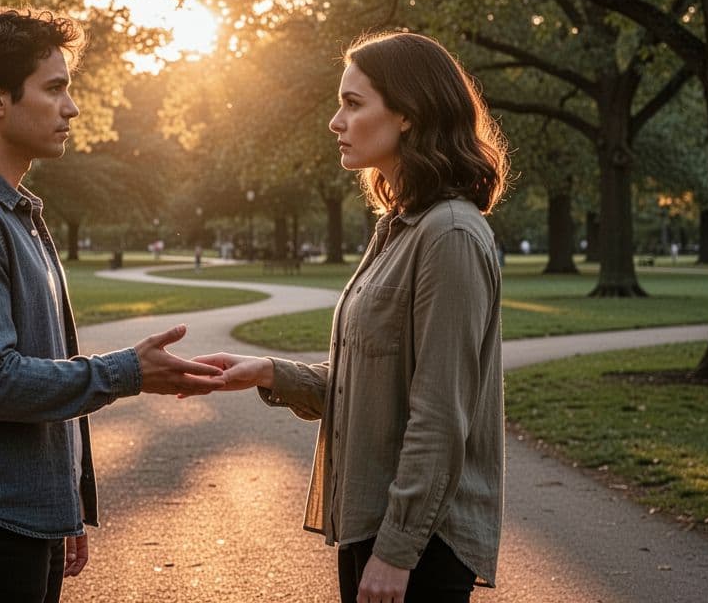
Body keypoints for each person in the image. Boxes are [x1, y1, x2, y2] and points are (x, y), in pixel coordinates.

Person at [0, 7, 226, 603]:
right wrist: (127, 372)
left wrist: (64, 496)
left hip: (23, 516)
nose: (71, 107)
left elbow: (37, 362)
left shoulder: (8, 210)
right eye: (54, 89)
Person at [191, 32, 509, 603]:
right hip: (378, 524)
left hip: (421, 544)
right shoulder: (399, 226)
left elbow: (440, 415)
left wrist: (396, 551)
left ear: (408, 114)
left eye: (354, 104)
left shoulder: (451, 235)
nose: (336, 121)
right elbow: (370, 381)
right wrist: (269, 372)